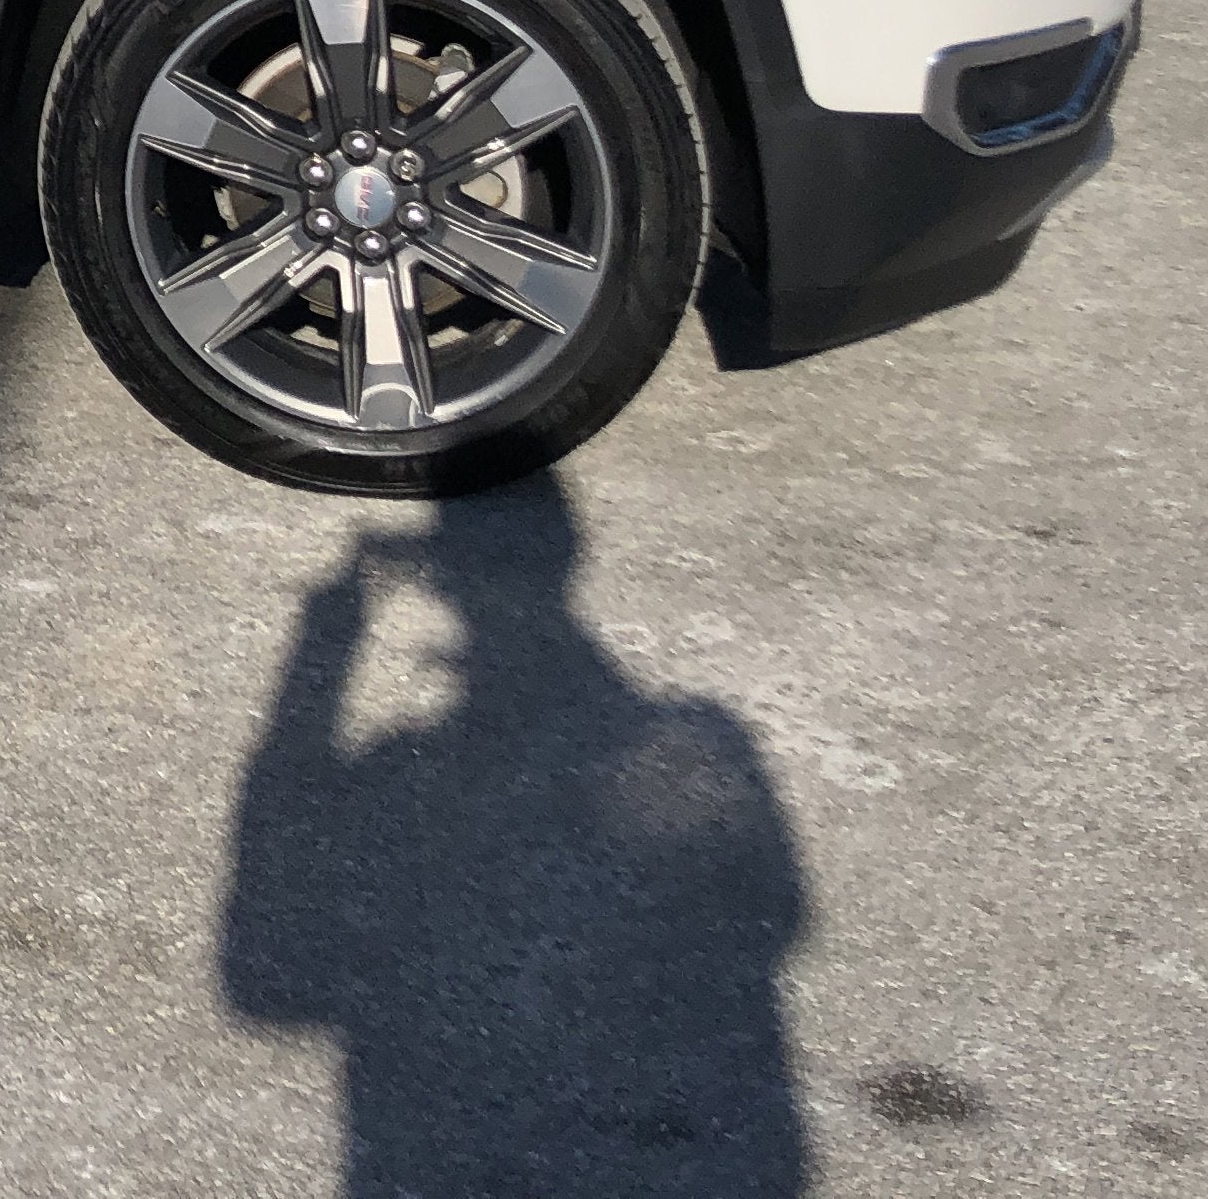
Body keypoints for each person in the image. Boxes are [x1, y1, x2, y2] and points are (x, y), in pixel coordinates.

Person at [222, 478, 809, 1194]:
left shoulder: (411, 773)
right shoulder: (708, 738)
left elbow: (265, 981)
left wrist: (327, 638)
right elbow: (775, 914)